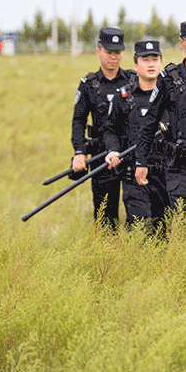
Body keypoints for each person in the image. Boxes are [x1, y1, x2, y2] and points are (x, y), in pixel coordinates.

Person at [135, 20, 186, 214]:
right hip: (180, 165)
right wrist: (141, 161)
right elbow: (150, 122)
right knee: (185, 224)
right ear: (181, 43)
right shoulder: (168, 79)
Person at [103, 40, 170, 230]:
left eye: (155, 59)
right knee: (139, 228)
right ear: (135, 65)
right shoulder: (123, 97)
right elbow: (110, 130)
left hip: (164, 173)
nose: (151, 64)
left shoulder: (172, 96)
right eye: (145, 59)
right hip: (133, 173)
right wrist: (113, 151)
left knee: (162, 230)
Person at [71, 27, 134, 226]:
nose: (113, 58)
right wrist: (79, 152)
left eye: (117, 53)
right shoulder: (88, 84)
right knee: (105, 216)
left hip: (130, 151)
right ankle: (108, 253)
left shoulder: (133, 81)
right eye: (109, 52)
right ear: (99, 51)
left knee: (137, 210)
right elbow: (78, 121)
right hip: (100, 154)